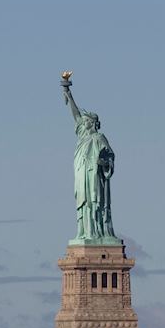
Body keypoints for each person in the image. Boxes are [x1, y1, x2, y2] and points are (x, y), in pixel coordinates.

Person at [62, 81, 116, 241]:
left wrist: (104, 163)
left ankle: (97, 232)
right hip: (81, 173)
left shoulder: (99, 138)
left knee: (94, 203)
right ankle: (84, 231)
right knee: (82, 203)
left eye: (86, 122)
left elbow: (110, 156)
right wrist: (68, 93)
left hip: (94, 175)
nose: (82, 124)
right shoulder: (82, 137)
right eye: (83, 122)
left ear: (92, 123)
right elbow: (76, 115)